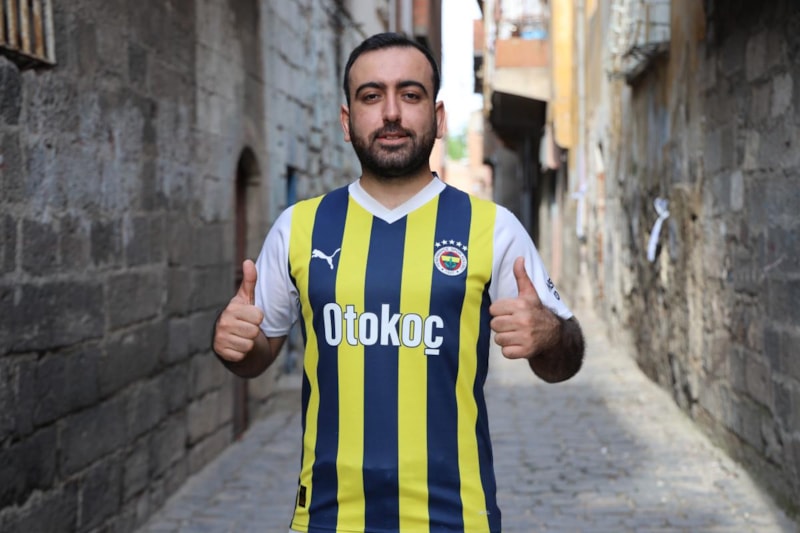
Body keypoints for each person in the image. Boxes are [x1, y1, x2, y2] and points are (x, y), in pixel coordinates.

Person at [212, 32, 585, 533]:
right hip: (326, 516)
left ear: (439, 117)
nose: (391, 112)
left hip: (456, 517)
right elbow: (258, 356)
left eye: (410, 94)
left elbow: (566, 360)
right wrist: (236, 343)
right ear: (347, 121)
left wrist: (548, 334)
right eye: (371, 96)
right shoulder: (299, 228)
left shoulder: (493, 229)